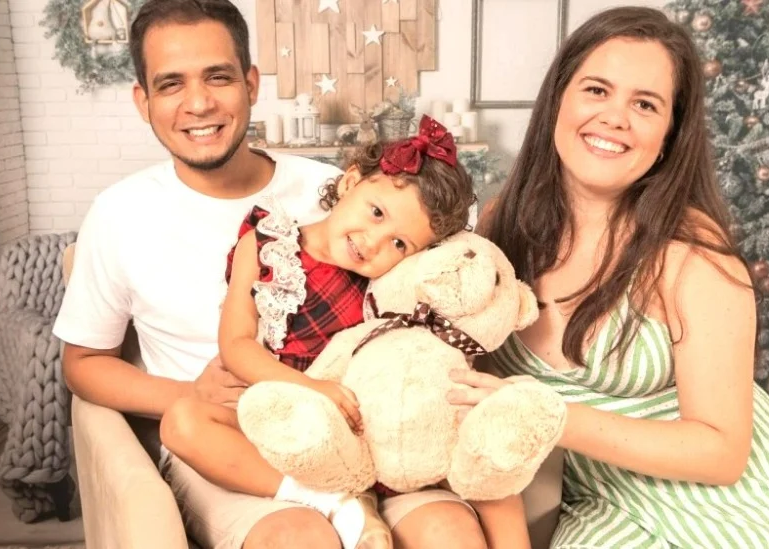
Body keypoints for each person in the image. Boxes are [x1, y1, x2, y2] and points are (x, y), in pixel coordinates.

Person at [53, 1, 494, 548]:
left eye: (218, 77)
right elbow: (84, 366)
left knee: (448, 531)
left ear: (251, 83)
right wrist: (191, 393)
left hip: (366, 427)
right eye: (171, 84)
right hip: (234, 445)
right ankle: (331, 505)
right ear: (143, 100)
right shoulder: (120, 214)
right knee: (299, 538)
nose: (199, 103)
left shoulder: (338, 194)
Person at [457, 6, 769, 548]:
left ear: (669, 135)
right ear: (559, 99)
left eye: (644, 104)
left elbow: (721, 453)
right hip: (600, 500)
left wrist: (549, 416)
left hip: (729, 511)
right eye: (596, 90)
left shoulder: (693, 257)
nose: (615, 118)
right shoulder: (502, 226)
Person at [160, 116, 476, 549]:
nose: (375, 241)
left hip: (355, 432)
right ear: (349, 182)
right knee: (182, 422)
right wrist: (311, 389)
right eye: (377, 213)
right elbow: (235, 346)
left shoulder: (395, 282)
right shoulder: (268, 244)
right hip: (280, 415)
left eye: (400, 243)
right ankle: (331, 502)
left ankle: (355, 491)